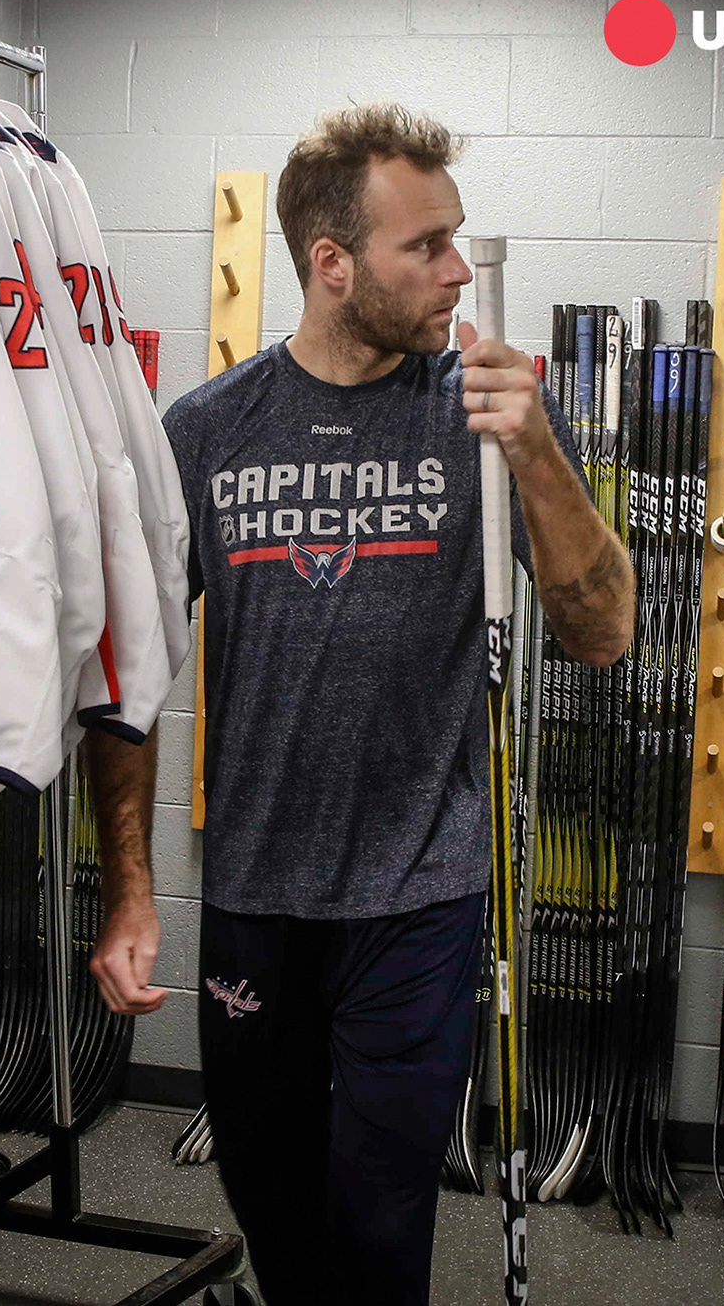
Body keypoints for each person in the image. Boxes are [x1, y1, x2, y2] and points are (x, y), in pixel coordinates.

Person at [82, 103, 635, 1306]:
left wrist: (537, 449)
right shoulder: (209, 432)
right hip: (256, 900)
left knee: (382, 1229)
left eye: (457, 239)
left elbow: (604, 633)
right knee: (276, 1209)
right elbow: (127, 669)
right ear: (331, 264)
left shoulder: (482, 424)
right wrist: (129, 886)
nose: (453, 271)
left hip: (419, 902)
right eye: (423, 246)